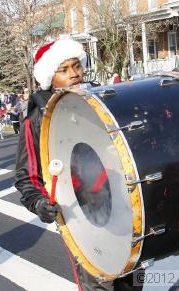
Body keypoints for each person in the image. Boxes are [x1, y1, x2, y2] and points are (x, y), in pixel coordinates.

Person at [15, 39, 141, 291]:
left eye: (76, 66)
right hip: (80, 216)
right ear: (50, 76)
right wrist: (40, 203)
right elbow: (27, 177)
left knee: (133, 276)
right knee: (98, 282)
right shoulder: (36, 120)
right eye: (64, 69)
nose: (74, 74)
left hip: (121, 202)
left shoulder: (100, 102)